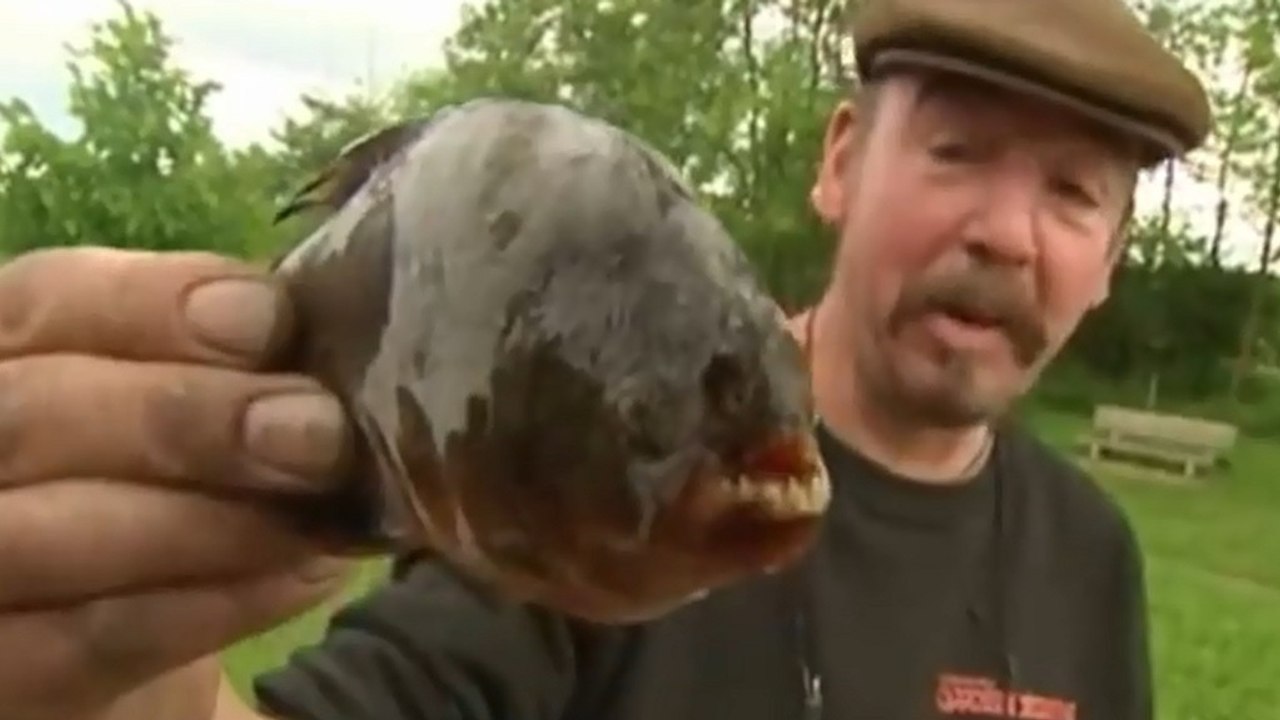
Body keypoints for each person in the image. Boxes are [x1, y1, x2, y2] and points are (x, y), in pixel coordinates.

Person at [0, 0, 1211, 718]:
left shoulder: (1088, 554)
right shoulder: (599, 482)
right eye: (957, 151)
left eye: (1071, 193)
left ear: (1108, 257)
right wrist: (118, 686)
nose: (1005, 232)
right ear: (841, 160)